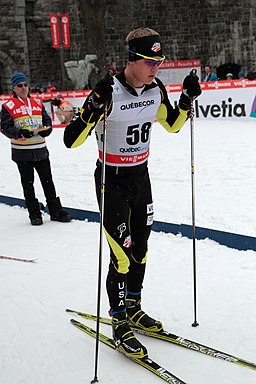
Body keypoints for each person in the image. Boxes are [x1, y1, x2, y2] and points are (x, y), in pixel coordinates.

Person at [64, 27, 201, 359]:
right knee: (122, 255)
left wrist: (185, 99)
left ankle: (135, 307)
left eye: (159, 61)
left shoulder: (155, 89)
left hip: (141, 178)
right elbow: (71, 140)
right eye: (151, 61)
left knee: (140, 249)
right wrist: (92, 108)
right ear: (133, 59)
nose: (157, 67)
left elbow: (172, 124)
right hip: (112, 181)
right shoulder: (109, 90)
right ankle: (120, 320)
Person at [0, 71, 72, 225]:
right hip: (22, 152)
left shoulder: (37, 102)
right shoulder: (8, 106)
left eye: (25, 84)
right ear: (14, 88)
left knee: (48, 182)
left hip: (40, 150)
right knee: (28, 184)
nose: (24, 88)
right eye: (20, 85)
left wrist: (47, 129)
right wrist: (20, 133)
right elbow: (5, 128)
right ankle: (34, 214)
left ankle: (55, 211)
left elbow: (47, 122)